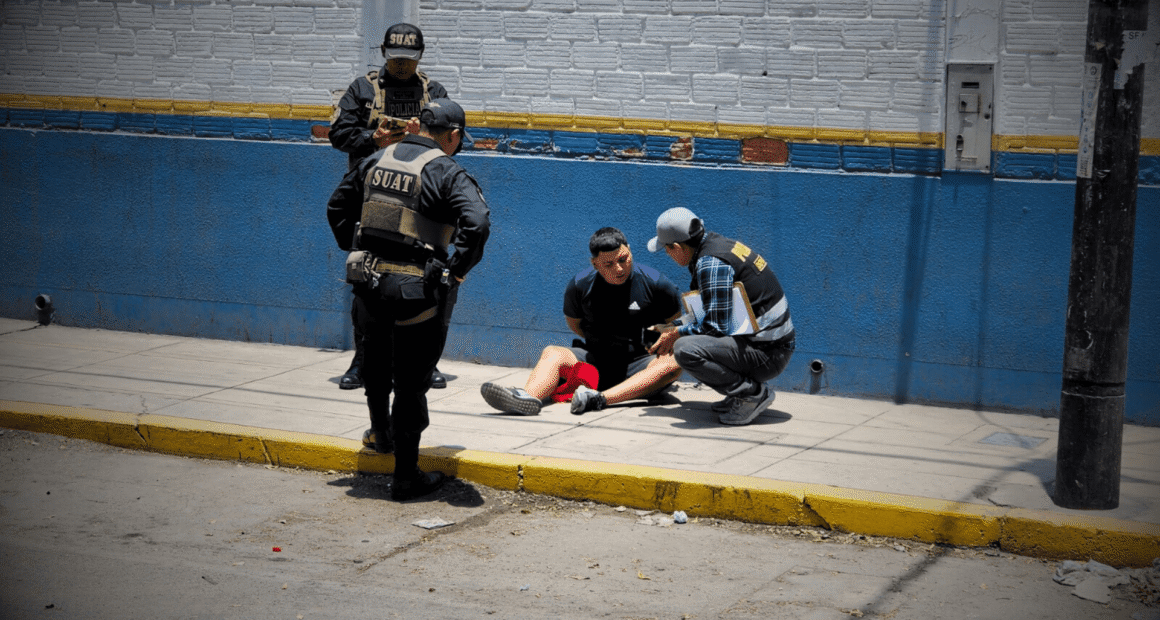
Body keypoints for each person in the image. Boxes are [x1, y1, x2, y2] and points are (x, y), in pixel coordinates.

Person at [326, 98, 490, 500]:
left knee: (375, 363)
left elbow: (337, 206)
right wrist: (456, 270)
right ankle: (404, 476)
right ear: (453, 136)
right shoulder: (447, 171)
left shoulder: (376, 159)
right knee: (411, 381)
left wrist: (358, 246)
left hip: (368, 282)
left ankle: (380, 435)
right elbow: (477, 222)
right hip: (416, 291)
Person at [329, 23, 453, 391]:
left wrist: (421, 137)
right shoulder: (363, 90)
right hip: (373, 198)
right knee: (365, 280)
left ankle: (425, 362)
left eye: (409, 59)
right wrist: (374, 138)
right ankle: (363, 362)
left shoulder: (434, 93)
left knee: (430, 278)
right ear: (383, 52)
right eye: (396, 57)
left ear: (421, 55)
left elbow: (452, 140)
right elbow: (338, 133)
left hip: (421, 201)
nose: (402, 64)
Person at [480, 227, 683, 417]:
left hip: (641, 367)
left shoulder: (657, 284)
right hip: (595, 363)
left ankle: (598, 399)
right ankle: (526, 398)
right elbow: (575, 324)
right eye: (609, 264)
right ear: (595, 264)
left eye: (623, 259)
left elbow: (675, 329)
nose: (619, 268)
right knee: (553, 352)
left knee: (674, 361)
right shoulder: (580, 285)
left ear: (629, 250)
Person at [647, 207, 795, 426]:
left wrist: (676, 334)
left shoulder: (710, 263)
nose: (668, 255)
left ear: (676, 247)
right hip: (769, 346)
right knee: (685, 340)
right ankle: (740, 393)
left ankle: (751, 395)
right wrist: (672, 327)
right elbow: (714, 311)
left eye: (667, 250)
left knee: (685, 350)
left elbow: (715, 327)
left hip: (768, 355)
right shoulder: (717, 245)